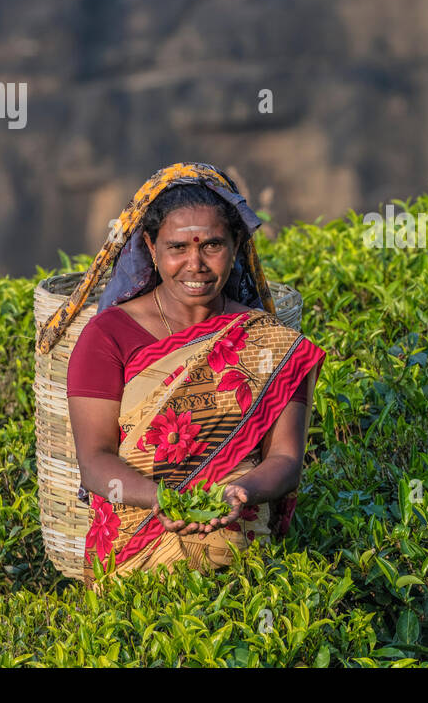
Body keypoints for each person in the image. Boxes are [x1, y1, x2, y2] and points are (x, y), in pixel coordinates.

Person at [60, 163, 324, 588]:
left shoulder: (266, 342)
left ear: (236, 245)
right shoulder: (108, 336)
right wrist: (163, 499)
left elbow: (286, 460)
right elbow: (94, 463)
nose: (195, 264)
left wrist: (242, 493)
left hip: (242, 571)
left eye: (212, 245)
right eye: (177, 247)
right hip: (132, 570)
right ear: (150, 245)